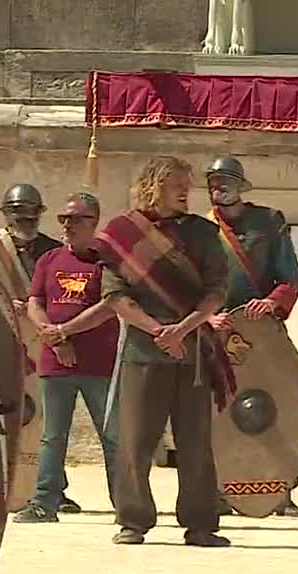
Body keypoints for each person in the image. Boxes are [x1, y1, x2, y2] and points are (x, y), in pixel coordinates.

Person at [91, 156, 236, 547]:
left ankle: (201, 522)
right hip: (143, 351)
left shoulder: (204, 234)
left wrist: (184, 328)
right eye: (177, 184)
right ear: (153, 185)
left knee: (195, 441)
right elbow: (114, 295)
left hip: (193, 353)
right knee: (135, 441)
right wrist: (158, 331)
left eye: (187, 183)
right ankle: (133, 520)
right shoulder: (121, 235)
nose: (185, 190)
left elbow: (217, 290)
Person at [0, 184, 77, 512]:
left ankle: (51, 487)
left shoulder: (55, 252)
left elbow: (64, 298)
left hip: (42, 342)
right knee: (0, 413)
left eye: (30, 212)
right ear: (5, 213)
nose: (25, 218)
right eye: (17, 212)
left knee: (46, 419)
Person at [203, 155, 298, 518]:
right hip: (217, 330)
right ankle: (217, 489)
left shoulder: (268, 221)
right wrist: (206, 317)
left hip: (263, 331)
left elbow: (291, 279)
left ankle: (281, 490)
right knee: (213, 410)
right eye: (213, 181)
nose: (218, 187)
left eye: (225, 180)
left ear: (240, 185)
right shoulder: (200, 228)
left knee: (280, 403)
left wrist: (272, 302)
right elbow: (190, 283)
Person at [13, 193, 120, 522]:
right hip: (55, 362)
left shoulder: (108, 262)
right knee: (53, 434)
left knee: (112, 433)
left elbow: (110, 304)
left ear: (93, 222)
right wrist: (52, 334)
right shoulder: (49, 260)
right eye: (63, 219)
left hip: (98, 363)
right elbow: (35, 301)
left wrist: (65, 331)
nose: (67, 226)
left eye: (75, 219)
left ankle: (126, 504)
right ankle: (46, 501)